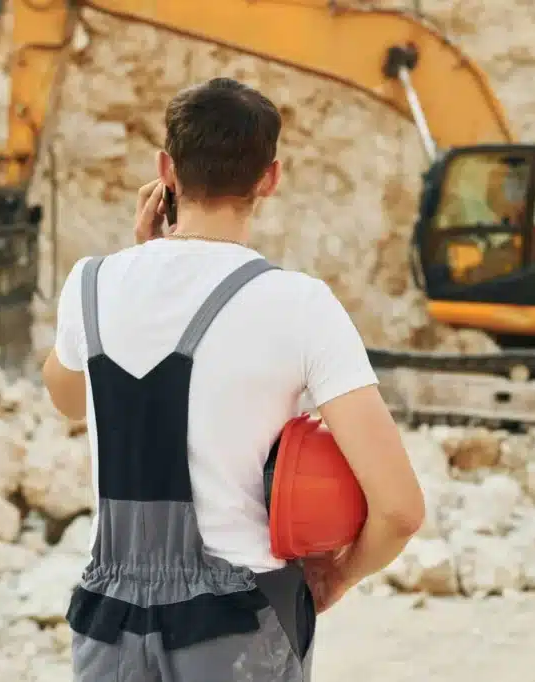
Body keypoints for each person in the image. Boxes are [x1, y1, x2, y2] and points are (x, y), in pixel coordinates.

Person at [41, 76, 425, 682]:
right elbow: (400, 509)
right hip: (236, 629)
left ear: (167, 170)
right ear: (269, 178)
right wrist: (340, 574)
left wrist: (137, 262)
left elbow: (68, 398)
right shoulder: (298, 304)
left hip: (109, 628)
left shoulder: (90, 284)